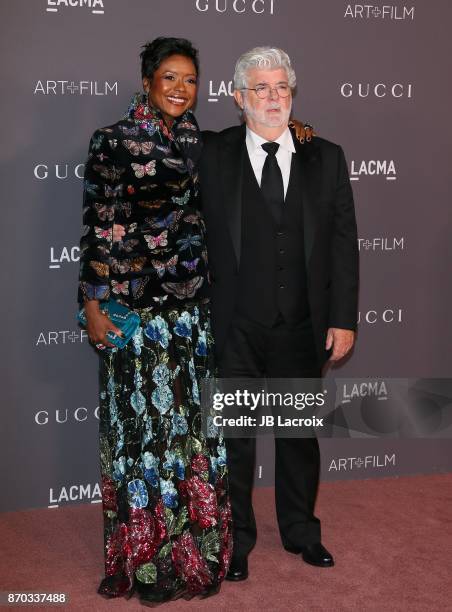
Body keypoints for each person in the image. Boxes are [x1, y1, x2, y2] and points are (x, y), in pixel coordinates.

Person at [78, 37, 234, 604]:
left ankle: (193, 555)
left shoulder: (199, 139)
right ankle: (145, 562)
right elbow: (97, 226)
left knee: (190, 437)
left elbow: (254, 145)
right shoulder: (113, 142)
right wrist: (93, 306)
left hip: (191, 313)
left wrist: (299, 131)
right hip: (135, 313)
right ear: (146, 81)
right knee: (143, 441)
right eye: (169, 77)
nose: (180, 89)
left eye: (190, 80)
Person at [198, 47, 359, 581]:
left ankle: (301, 532)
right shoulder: (208, 152)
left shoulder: (326, 155)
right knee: (235, 440)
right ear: (239, 97)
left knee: (297, 437)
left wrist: (343, 318)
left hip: (301, 324)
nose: (274, 98)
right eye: (261, 89)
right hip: (235, 324)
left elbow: (343, 247)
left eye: (282, 88)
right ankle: (236, 539)